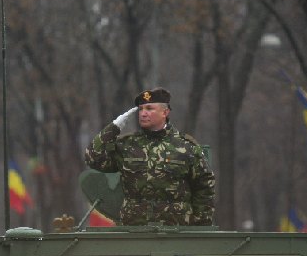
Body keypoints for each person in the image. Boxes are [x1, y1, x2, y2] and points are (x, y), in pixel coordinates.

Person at [85, 87, 215, 226]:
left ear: (165, 112)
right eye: (141, 109)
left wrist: (200, 227)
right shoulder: (127, 145)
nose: (143, 114)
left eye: (149, 109)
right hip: (134, 229)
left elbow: (204, 186)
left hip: (176, 230)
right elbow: (93, 159)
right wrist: (114, 127)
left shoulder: (186, 147)